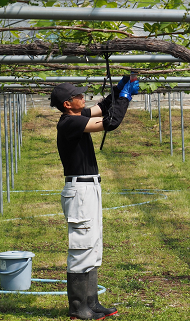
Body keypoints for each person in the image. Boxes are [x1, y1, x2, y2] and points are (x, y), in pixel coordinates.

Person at [50, 76, 139, 320]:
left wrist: (118, 90)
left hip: (89, 189)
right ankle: (78, 307)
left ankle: (92, 302)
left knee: (93, 245)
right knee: (82, 246)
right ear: (68, 104)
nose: (83, 97)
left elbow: (103, 108)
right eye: (78, 95)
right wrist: (125, 98)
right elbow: (111, 121)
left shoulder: (77, 117)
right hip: (80, 192)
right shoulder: (69, 123)